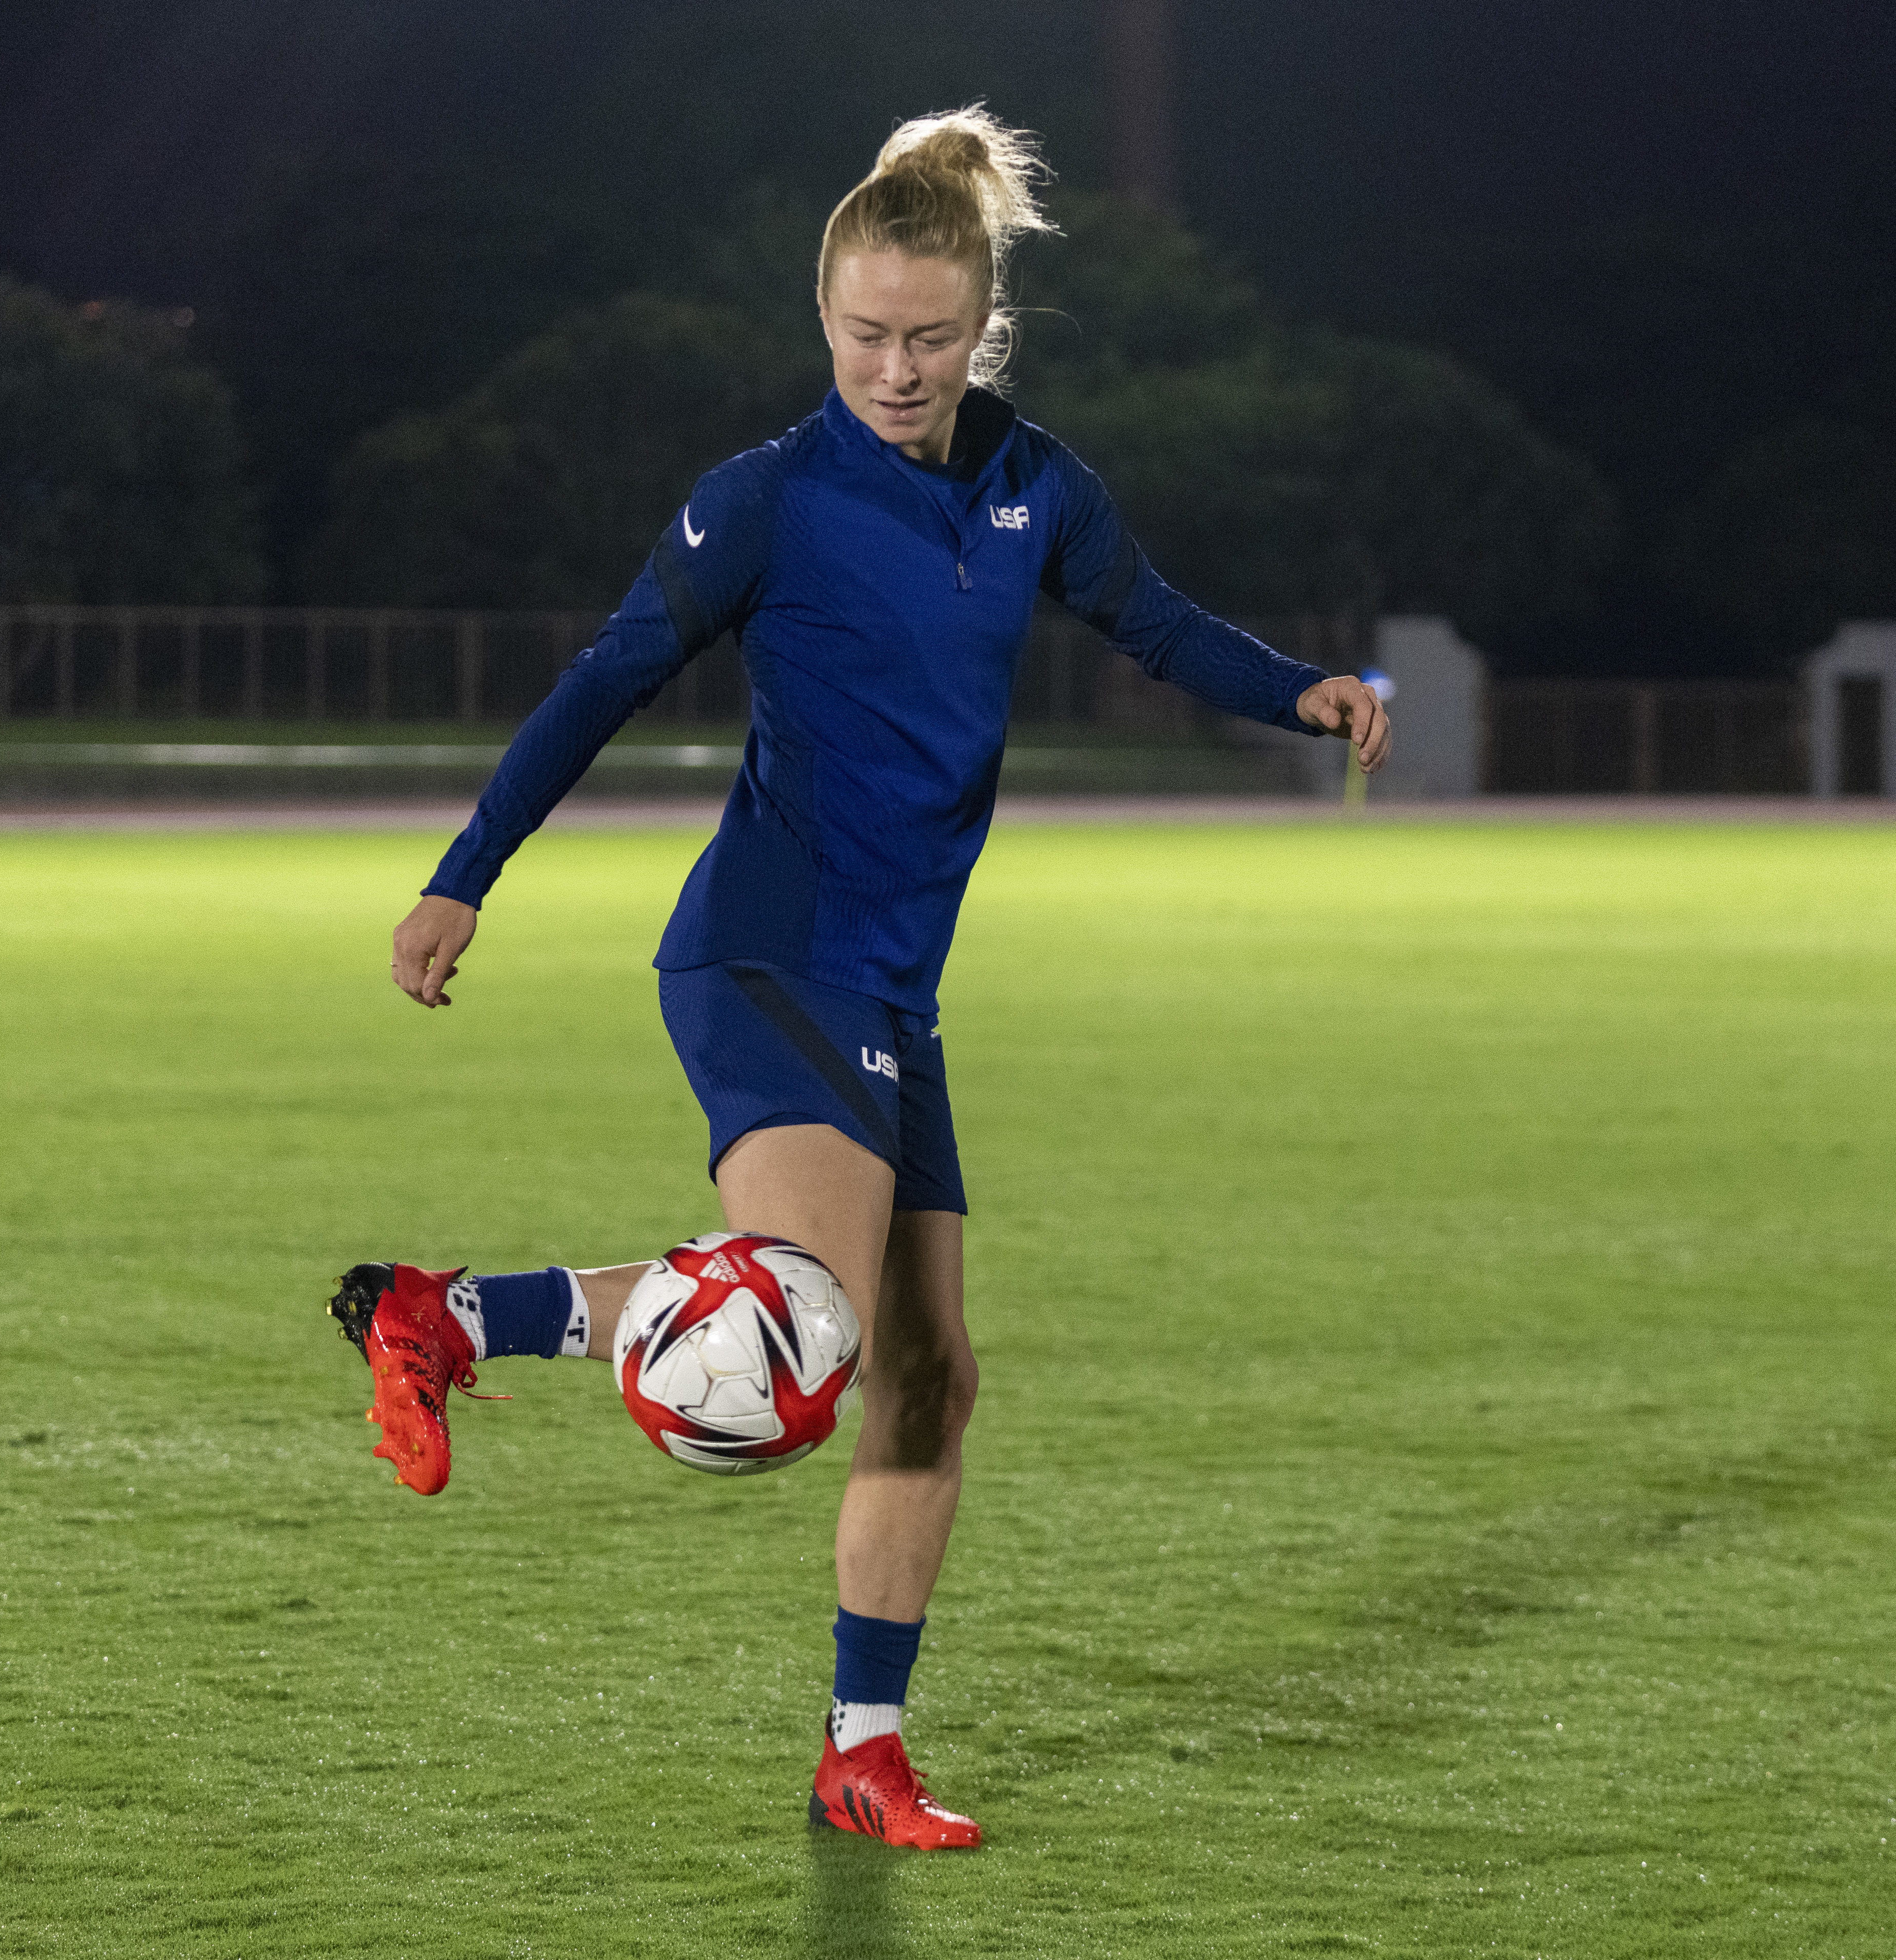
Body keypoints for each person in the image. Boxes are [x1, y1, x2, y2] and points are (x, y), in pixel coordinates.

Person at [328, 107, 1390, 1852]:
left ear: (983, 327)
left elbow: (1163, 624)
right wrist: (465, 874)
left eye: (931, 338)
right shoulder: (769, 498)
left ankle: (858, 1745)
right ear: (822, 318)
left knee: (929, 1371)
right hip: (766, 946)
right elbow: (600, 680)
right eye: (864, 335)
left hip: (896, 986)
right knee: (805, 1321)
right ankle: (444, 1317)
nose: (897, 368)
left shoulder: (1040, 483)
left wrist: (1307, 692)